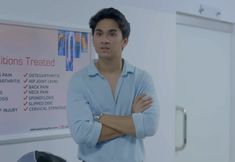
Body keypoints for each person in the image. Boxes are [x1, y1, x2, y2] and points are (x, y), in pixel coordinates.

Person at [67, 7, 159, 162]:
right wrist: (131, 118)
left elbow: (150, 125)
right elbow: (81, 133)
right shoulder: (79, 81)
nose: (104, 40)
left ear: (125, 41)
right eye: (99, 33)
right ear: (93, 38)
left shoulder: (142, 79)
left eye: (112, 33)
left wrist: (100, 118)